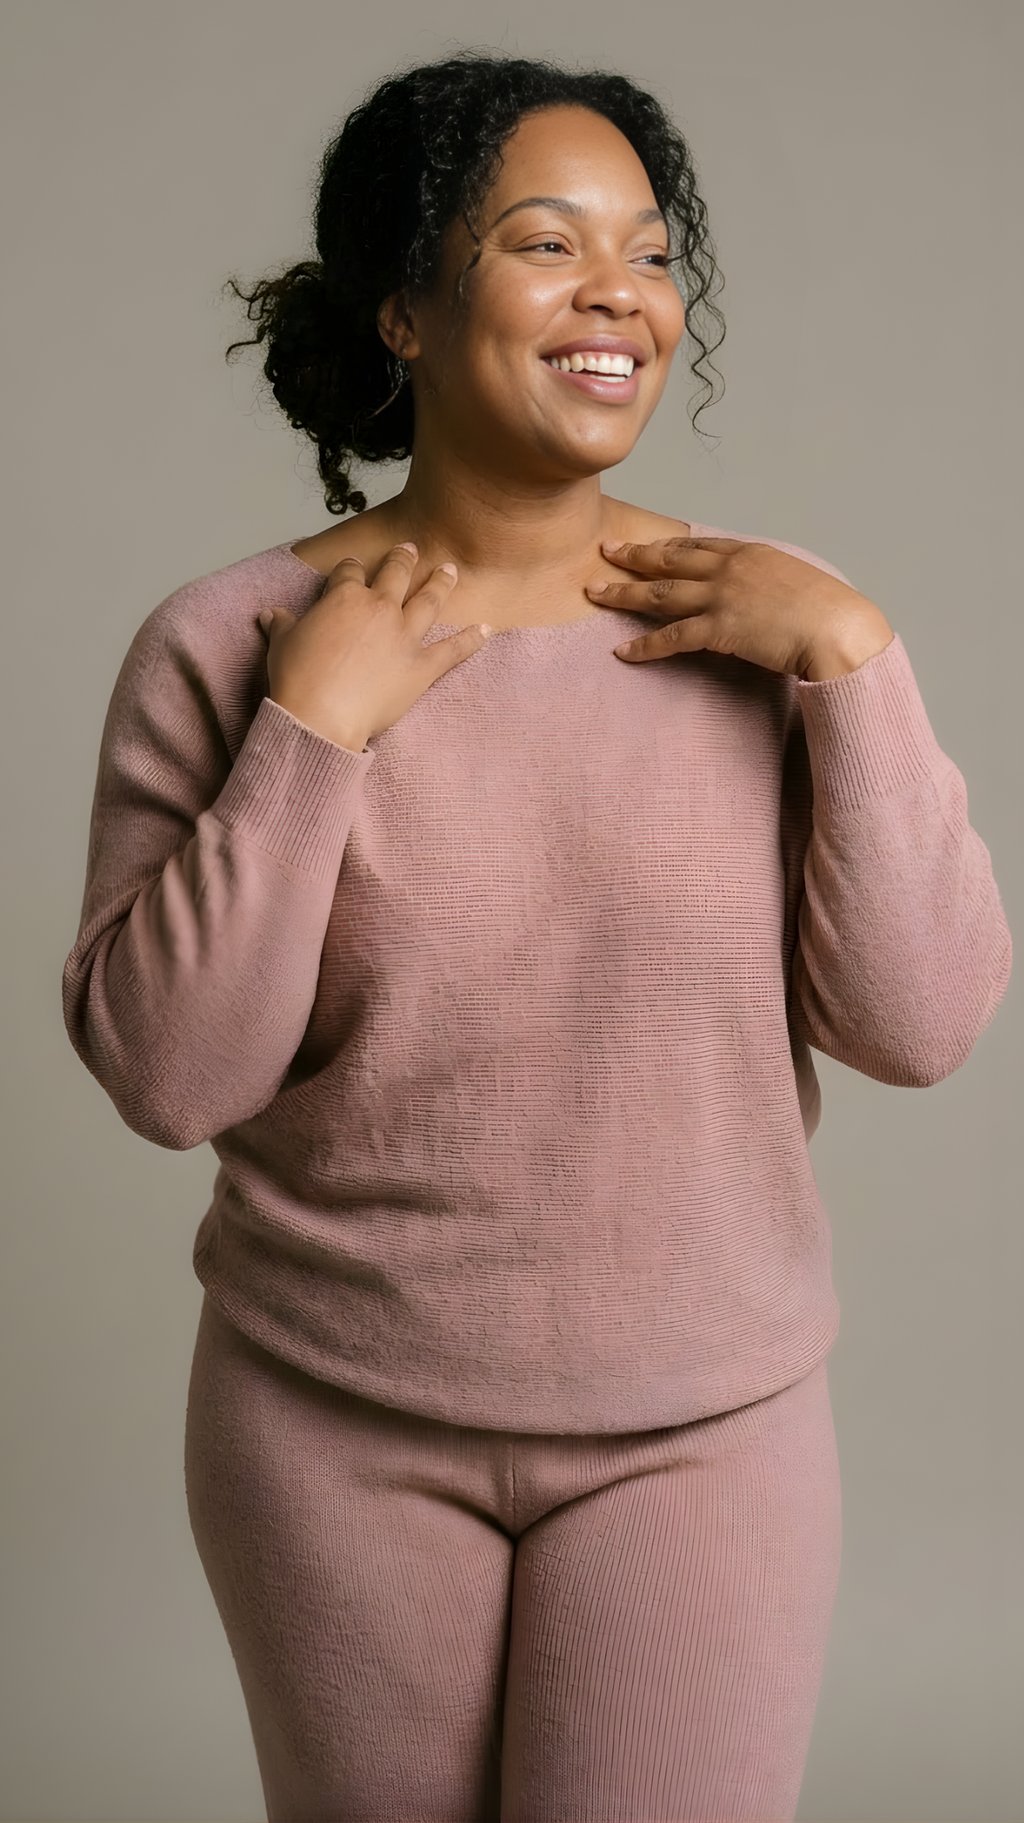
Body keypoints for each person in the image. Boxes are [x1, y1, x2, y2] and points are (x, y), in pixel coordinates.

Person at [61, 50, 1013, 1823]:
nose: (619, 299)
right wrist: (311, 739)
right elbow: (174, 1076)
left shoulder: (770, 621)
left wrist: (862, 670)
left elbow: (921, 1022)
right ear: (408, 309)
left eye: (651, 255)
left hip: (701, 1429)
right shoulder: (235, 638)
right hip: (328, 1430)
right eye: (544, 242)